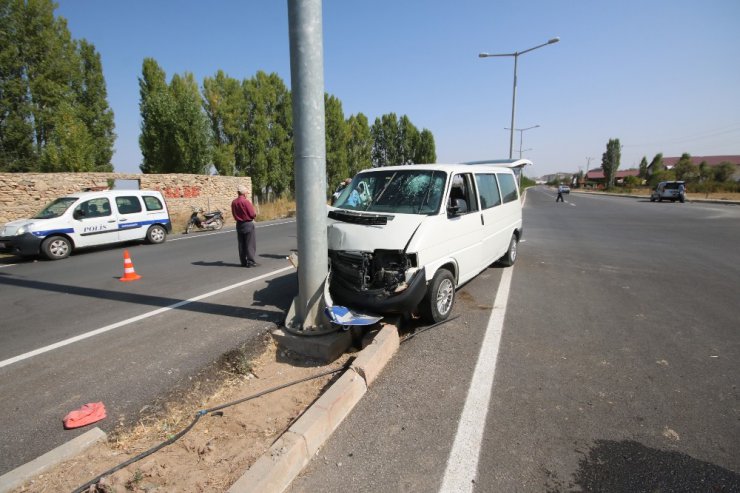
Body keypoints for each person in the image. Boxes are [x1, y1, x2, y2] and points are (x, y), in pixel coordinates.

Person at [231, 185, 258, 267]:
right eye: (246, 192)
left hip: (239, 224)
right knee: (250, 243)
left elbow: (234, 214)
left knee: (241, 244)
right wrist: (254, 215)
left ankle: (243, 261)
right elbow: (252, 214)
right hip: (247, 223)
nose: (247, 194)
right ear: (243, 193)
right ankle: (250, 261)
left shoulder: (234, 202)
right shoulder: (246, 202)